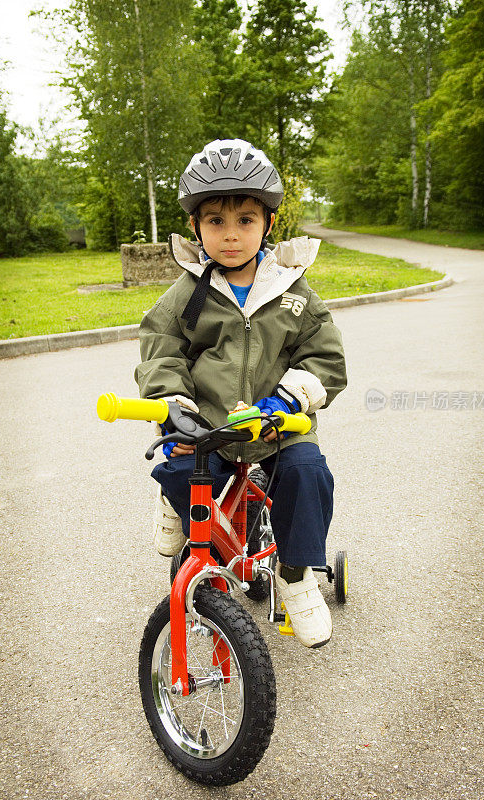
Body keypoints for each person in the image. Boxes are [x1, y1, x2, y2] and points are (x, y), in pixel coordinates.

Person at [134, 138, 347, 648]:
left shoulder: (294, 291)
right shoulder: (188, 294)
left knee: (307, 475)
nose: (230, 236)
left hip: (277, 426)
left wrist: (286, 402)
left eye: (245, 220)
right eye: (215, 222)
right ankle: (182, 510)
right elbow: (162, 351)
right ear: (195, 227)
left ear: (268, 223)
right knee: (178, 465)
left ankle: (295, 576)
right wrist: (174, 409)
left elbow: (325, 358)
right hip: (210, 427)